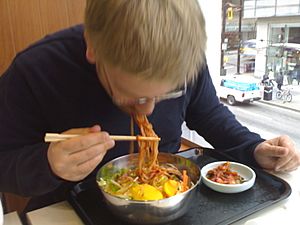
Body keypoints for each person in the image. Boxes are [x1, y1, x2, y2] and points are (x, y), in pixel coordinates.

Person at [0, 0, 299, 215]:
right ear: (92, 46)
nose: (149, 109)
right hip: (68, 209)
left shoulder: (186, 59)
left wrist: (253, 147)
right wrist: (47, 164)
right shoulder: (35, 70)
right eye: (133, 94)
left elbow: (208, 114)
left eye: (167, 93)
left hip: (172, 207)